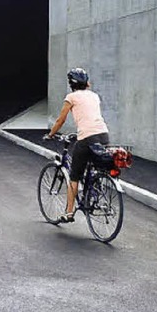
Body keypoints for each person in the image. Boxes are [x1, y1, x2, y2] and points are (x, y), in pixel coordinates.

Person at [44, 67, 109, 223]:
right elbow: (90, 116)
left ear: (71, 84)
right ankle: (94, 189)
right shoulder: (94, 96)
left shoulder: (71, 97)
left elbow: (61, 120)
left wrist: (51, 134)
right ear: (87, 83)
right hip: (104, 135)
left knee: (74, 176)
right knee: (94, 165)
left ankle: (69, 213)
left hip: (86, 138)